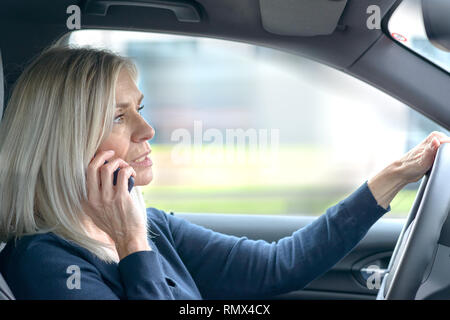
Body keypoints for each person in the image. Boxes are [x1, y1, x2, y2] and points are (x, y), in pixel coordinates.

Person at [0, 46, 448, 300]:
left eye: (140, 109)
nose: (148, 130)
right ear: (64, 143)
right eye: (119, 117)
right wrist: (134, 246)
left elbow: (276, 266)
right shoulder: (46, 264)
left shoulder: (153, 226)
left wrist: (394, 176)